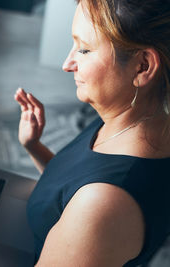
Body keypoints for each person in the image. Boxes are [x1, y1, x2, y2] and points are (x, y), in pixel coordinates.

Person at [15, 0, 170, 266]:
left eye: (84, 49)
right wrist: (33, 146)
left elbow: (93, 200)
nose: (67, 63)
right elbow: (75, 188)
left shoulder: (104, 207)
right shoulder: (133, 119)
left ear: (143, 66)